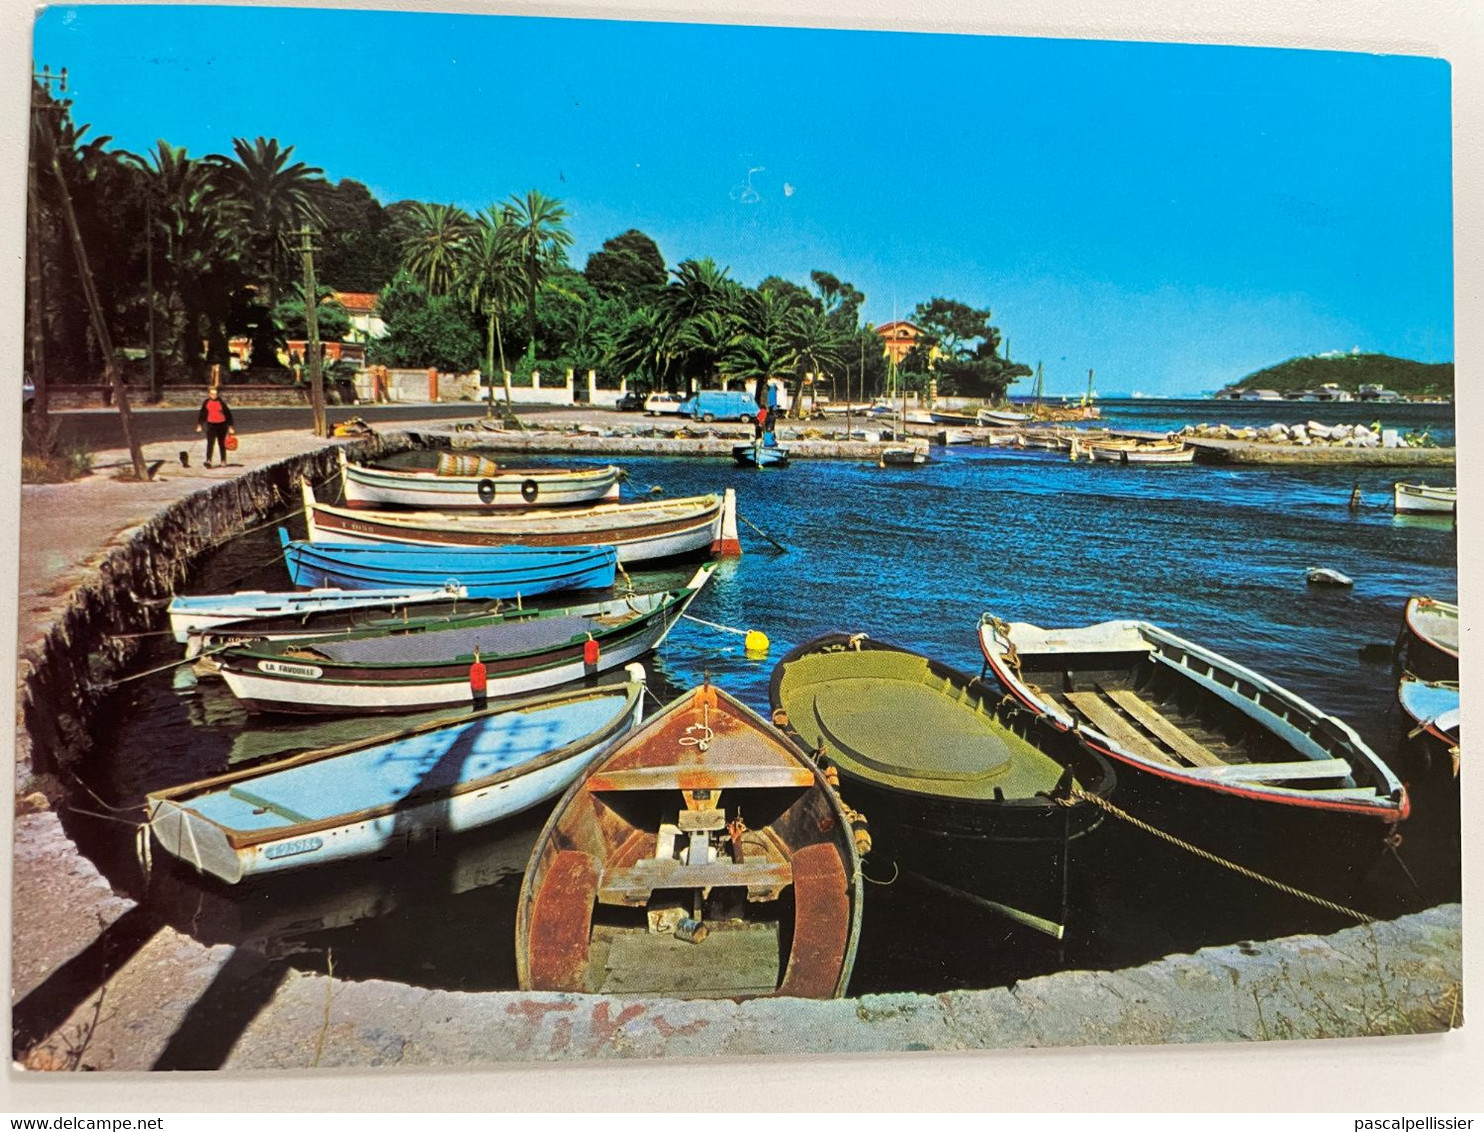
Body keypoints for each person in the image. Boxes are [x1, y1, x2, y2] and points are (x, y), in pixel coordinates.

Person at [195, 386, 235, 468]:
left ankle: (223, 460)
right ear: (209, 394)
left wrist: (231, 427)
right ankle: (208, 460)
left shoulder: (221, 402)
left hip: (222, 425)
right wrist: (199, 425)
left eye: (215, 394)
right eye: (212, 394)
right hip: (211, 425)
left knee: (221, 443)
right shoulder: (206, 402)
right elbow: (202, 414)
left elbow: (228, 414)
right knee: (210, 443)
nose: (214, 395)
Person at [469, 646, 488, 712]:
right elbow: (479, 669)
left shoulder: (475, 670)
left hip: (476, 691)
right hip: (481, 692)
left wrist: (477, 656)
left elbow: (477, 669)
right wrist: (477, 656)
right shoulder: (480, 670)